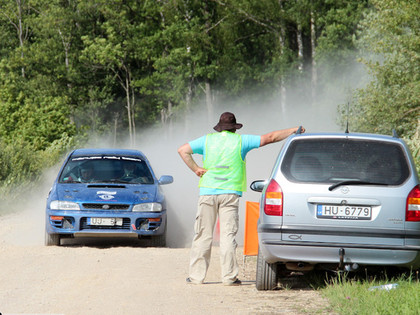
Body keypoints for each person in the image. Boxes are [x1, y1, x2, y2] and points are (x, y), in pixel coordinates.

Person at [177, 112, 305, 286]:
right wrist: (293, 130)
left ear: (219, 127)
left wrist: (196, 169)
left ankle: (196, 277)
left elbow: (182, 150)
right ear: (234, 128)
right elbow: (270, 137)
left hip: (207, 192)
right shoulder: (241, 141)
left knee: (203, 235)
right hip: (230, 193)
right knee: (228, 236)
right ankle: (229, 277)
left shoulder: (207, 140)